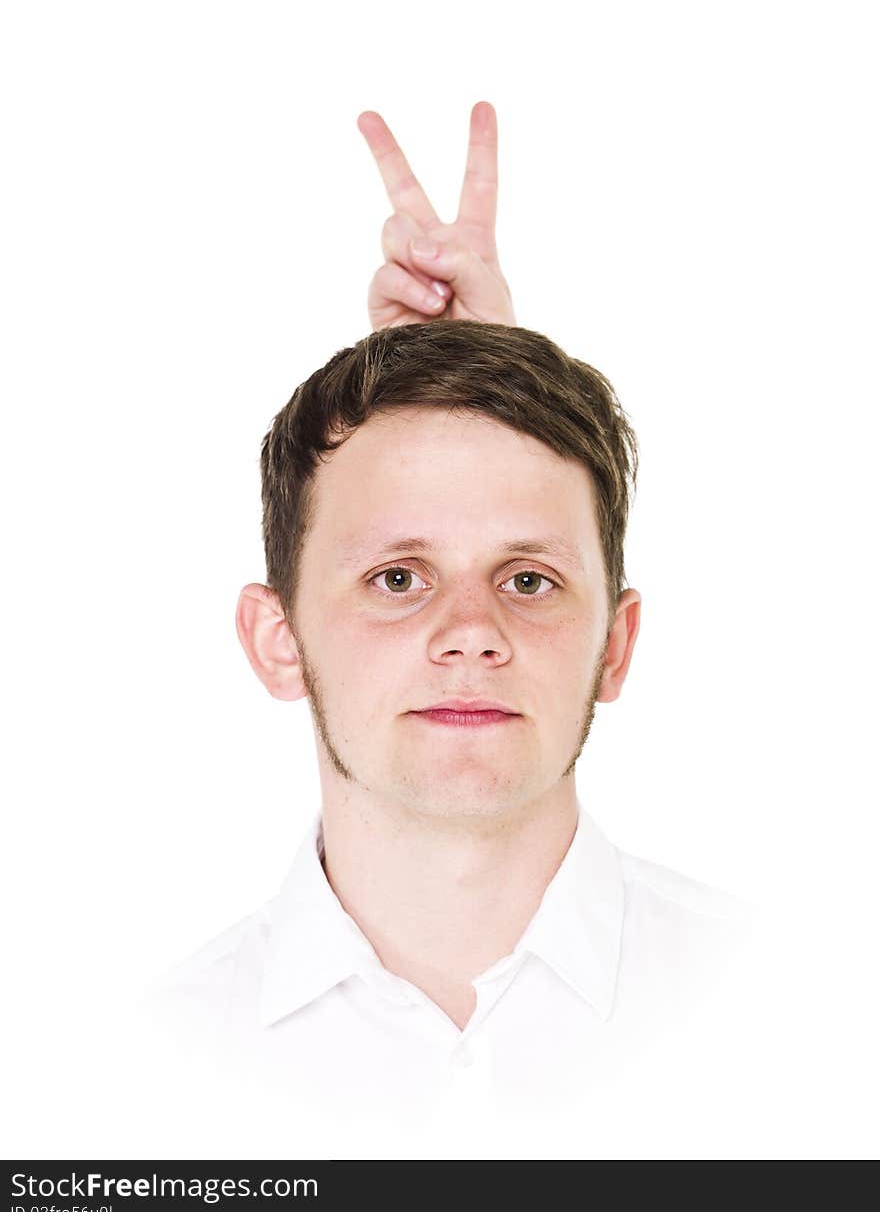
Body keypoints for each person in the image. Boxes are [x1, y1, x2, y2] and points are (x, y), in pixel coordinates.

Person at [140, 102, 755, 1153]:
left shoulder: (804, 1013)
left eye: (525, 578)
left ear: (616, 641)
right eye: (396, 575)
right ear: (276, 638)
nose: (470, 632)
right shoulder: (129, 1072)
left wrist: (480, 380)